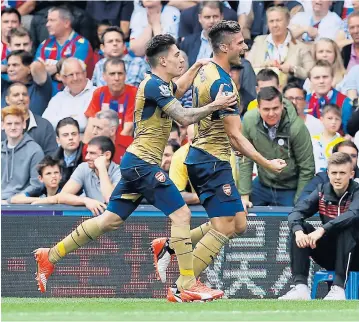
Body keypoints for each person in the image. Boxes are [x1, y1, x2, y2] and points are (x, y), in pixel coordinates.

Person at [33, 34, 238, 302]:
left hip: (135, 163)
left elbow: (177, 89)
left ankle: (50, 255)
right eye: (177, 55)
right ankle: (187, 282)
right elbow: (184, 116)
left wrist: (195, 67)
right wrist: (215, 105)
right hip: (144, 164)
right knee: (181, 215)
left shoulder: (159, 85)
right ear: (163, 60)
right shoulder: (152, 85)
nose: (180, 57)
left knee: (110, 220)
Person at [151, 21, 287, 299]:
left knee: (238, 224)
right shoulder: (222, 83)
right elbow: (236, 136)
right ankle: (183, 286)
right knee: (224, 226)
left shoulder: (205, 69)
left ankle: (172, 245)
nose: (245, 46)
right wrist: (267, 163)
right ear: (225, 47)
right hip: (210, 161)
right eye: (240, 43)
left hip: (209, 156)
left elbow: (211, 120)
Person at [279, 152, 359, 300]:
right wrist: (298, 232)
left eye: (342, 173)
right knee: (301, 228)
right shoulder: (322, 191)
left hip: (355, 255)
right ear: (328, 173)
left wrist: (323, 229)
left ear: (351, 174)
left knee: (347, 226)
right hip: (331, 255)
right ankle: (301, 288)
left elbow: (353, 214)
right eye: (334, 172)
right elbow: (296, 213)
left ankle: (339, 288)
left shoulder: (357, 191)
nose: (337, 177)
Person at [239, 86, 315, 207]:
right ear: (258, 108)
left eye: (275, 108)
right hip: (262, 183)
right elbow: (245, 159)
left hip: (289, 187)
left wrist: (300, 201)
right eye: (266, 109)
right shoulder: (249, 121)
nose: (271, 113)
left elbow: (307, 168)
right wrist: (244, 196)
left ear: (282, 106)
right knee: (239, 210)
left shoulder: (297, 127)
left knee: (292, 218)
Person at [32, 136, 121, 210]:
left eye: (92, 153)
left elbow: (110, 199)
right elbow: (62, 196)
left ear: (107, 155)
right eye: (87, 153)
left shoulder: (120, 172)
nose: (87, 157)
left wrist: (102, 168)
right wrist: (86, 201)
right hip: (93, 221)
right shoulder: (83, 168)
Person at [247, 5, 314, 86]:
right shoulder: (259, 41)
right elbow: (247, 67)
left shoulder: (301, 47)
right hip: (260, 90)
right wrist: (264, 65)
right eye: (271, 21)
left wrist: (292, 69)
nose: (275, 25)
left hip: (288, 92)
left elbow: (311, 73)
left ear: (288, 21)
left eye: (278, 20)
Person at [35, 6, 94, 95]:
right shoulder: (45, 44)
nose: (47, 24)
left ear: (66, 23)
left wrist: (48, 72)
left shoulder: (81, 44)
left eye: (52, 20)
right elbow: (36, 71)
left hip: (76, 95)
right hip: (45, 97)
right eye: (48, 20)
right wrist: (60, 66)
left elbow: (73, 73)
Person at [84, 57, 137, 145]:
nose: (116, 78)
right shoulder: (99, 93)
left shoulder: (134, 93)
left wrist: (111, 150)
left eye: (120, 73)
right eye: (112, 74)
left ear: (125, 76)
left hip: (125, 145)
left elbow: (128, 129)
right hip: (102, 143)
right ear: (104, 76)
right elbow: (91, 125)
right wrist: (86, 150)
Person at [1, 105, 44, 202]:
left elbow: (37, 185)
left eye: (17, 123)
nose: (13, 127)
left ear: (24, 124)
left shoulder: (35, 151)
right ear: (2, 125)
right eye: (9, 123)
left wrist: (13, 200)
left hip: (21, 204)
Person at [43, 57, 95, 133]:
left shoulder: (96, 93)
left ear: (85, 73)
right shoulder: (58, 97)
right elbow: (46, 123)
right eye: (71, 75)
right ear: (64, 78)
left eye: (78, 73)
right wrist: (73, 118)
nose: (75, 78)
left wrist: (60, 119)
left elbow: (84, 123)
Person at [4, 82, 57, 155]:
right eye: (16, 95)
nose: (21, 98)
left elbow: (52, 157)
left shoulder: (44, 126)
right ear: (7, 100)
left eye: (24, 94)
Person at [306, 60, 353, 134]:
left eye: (325, 77)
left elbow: (347, 134)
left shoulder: (345, 102)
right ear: (310, 80)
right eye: (317, 78)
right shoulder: (305, 101)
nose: (321, 81)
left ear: (332, 78)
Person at [1, 50, 52, 116]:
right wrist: (4, 69)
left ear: (29, 68)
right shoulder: (4, 85)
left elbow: (36, 65)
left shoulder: (39, 87)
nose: (10, 69)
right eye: (8, 65)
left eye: (15, 65)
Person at [180, 1, 223, 68]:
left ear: (221, 17)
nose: (212, 21)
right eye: (207, 17)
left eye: (215, 16)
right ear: (200, 18)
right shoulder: (187, 42)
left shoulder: (229, 43)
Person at [312, 104, 345, 173]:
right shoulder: (313, 140)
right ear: (321, 119)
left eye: (337, 119)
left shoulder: (343, 143)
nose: (333, 122)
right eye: (330, 118)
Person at [53, 117, 84, 188]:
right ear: (58, 140)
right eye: (65, 135)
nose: (70, 138)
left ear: (79, 136)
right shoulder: (52, 160)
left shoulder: (88, 157)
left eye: (74, 134)